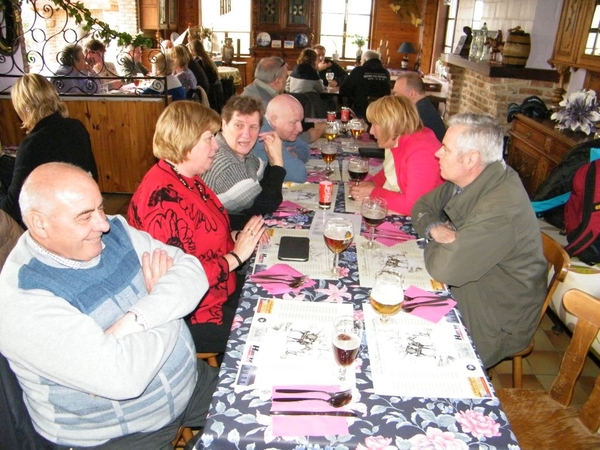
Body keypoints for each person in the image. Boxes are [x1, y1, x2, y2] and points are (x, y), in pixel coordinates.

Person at [0, 162, 218, 448]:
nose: (103, 224)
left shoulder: (117, 231)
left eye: (100, 207)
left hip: (189, 381)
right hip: (120, 436)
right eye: (85, 216)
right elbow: (125, 377)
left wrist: (138, 318)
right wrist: (167, 303)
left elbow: (192, 270)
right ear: (40, 223)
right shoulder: (21, 299)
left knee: (277, 407)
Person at [128, 101, 266, 355]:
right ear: (186, 140)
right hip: (193, 315)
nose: (216, 145)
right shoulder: (161, 199)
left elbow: (208, 234)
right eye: (209, 138)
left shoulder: (188, 178)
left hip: (218, 289)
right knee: (265, 334)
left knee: (273, 294)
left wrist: (238, 236)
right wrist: (236, 257)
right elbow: (177, 279)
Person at [411, 113, 547, 369]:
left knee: (414, 348)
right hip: (473, 284)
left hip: (496, 316)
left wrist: (440, 243)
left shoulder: (500, 208)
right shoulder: (471, 179)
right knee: (393, 299)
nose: (437, 154)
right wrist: (438, 230)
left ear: (471, 159)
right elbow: (422, 205)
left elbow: (444, 268)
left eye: (445, 149)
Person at [1, 73, 98, 225]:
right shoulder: (76, 127)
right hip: (84, 205)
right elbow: (92, 175)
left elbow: (12, 209)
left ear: (25, 108)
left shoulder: (33, 144)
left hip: (58, 222)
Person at [202, 96, 285, 228]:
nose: (246, 134)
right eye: (239, 125)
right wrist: (278, 162)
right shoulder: (224, 162)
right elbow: (265, 204)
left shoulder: (240, 152)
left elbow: (264, 186)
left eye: (253, 127)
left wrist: (272, 160)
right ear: (223, 125)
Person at [349, 95, 442, 214]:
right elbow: (391, 171)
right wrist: (372, 183)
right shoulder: (399, 139)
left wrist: (373, 192)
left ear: (390, 125)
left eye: (374, 125)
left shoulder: (421, 152)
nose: (371, 131)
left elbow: (415, 207)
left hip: (432, 217)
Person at [242, 56, 324, 144]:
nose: (286, 81)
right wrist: (311, 135)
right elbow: (281, 140)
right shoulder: (266, 104)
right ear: (278, 81)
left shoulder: (251, 89)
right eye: (286, 77)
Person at [253, 94, 310, 183]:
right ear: (274, 120)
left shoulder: (279, 130)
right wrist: (288, 155)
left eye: (300, 121)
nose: (300, 128)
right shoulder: (263, 135)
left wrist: (292, 154)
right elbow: (299, 174)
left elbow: (305, 148)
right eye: (293, 122)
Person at [393, 71, 446, 142]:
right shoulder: (424, 106)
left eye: (396, 94)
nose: (394, 98)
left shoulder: (418, 116)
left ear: (412, 94)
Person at [339, 49, 390, 119]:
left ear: (365, 60)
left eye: (361, 61)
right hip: (382, 111)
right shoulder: (386, 72)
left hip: (361, 111)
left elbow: (343, 90)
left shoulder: (358, 71)